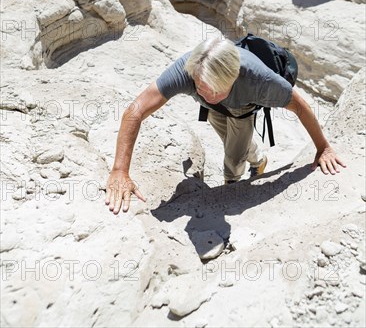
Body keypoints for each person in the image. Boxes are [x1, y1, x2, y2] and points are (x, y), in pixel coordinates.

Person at [105, 37, 346, 215]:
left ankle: (231, 186)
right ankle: (259, 158)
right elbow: (135, 112)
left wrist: (323, 147)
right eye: (198, 85)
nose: (201, 90)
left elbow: (301, 107)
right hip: (213, 109)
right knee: (231, 139)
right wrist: (119, 170)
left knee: (232, 157)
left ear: (231, 78)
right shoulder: (189, 69)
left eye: (209, 88)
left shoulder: (260, 80)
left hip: (242, 107)